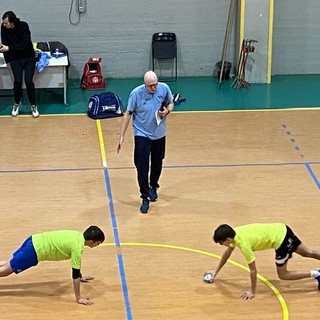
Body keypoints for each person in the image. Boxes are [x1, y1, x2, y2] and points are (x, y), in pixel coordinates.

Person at [206, 223, 320, 300]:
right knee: (308, 252)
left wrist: (252, 291)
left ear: (228, 239)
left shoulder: (243, 244)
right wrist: (216, 271)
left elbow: (253, 270)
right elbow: (227, 253)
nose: (222, 245)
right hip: (283, 229)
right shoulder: (235, 232)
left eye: (221, 243)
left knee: (283, 275)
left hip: (281, 241)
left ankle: (317, 273)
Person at [0, 225, 105, 305]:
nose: (97, 246)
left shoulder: (77, 235)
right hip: (34, 251)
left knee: (7, 263)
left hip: (33, 240)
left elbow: (77, 269)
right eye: (98, 243)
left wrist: (80, 276)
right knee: (6, 271)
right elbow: (75, 274)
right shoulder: (77, 248)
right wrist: (79, 298)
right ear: (91, 242)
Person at [117, 70, 174, 214]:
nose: (154, 88)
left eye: (155, 84)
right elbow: (128, 113)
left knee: (157, 162)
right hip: (142, 133)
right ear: (145, 85)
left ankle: (153, 185)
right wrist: (121, 136)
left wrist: (166, 111)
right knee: (141, 166)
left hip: (159, 133)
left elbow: (171, 103)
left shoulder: (164, 88)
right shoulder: (136, 94)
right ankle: (145, 196)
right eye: (150, 86)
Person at [0, 11, 39, 118]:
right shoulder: (3, 28)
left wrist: (9, 48)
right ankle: (17, 103)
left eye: (6, 23)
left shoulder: (24, 26)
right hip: (15, 59)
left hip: (28, 57)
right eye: (3, 23)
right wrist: (8, 61)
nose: (4, 25)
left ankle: (33, 105)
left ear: (12, 23)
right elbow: (4, 45)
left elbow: (25, 44)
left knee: (28, 81)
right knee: (17, 81)